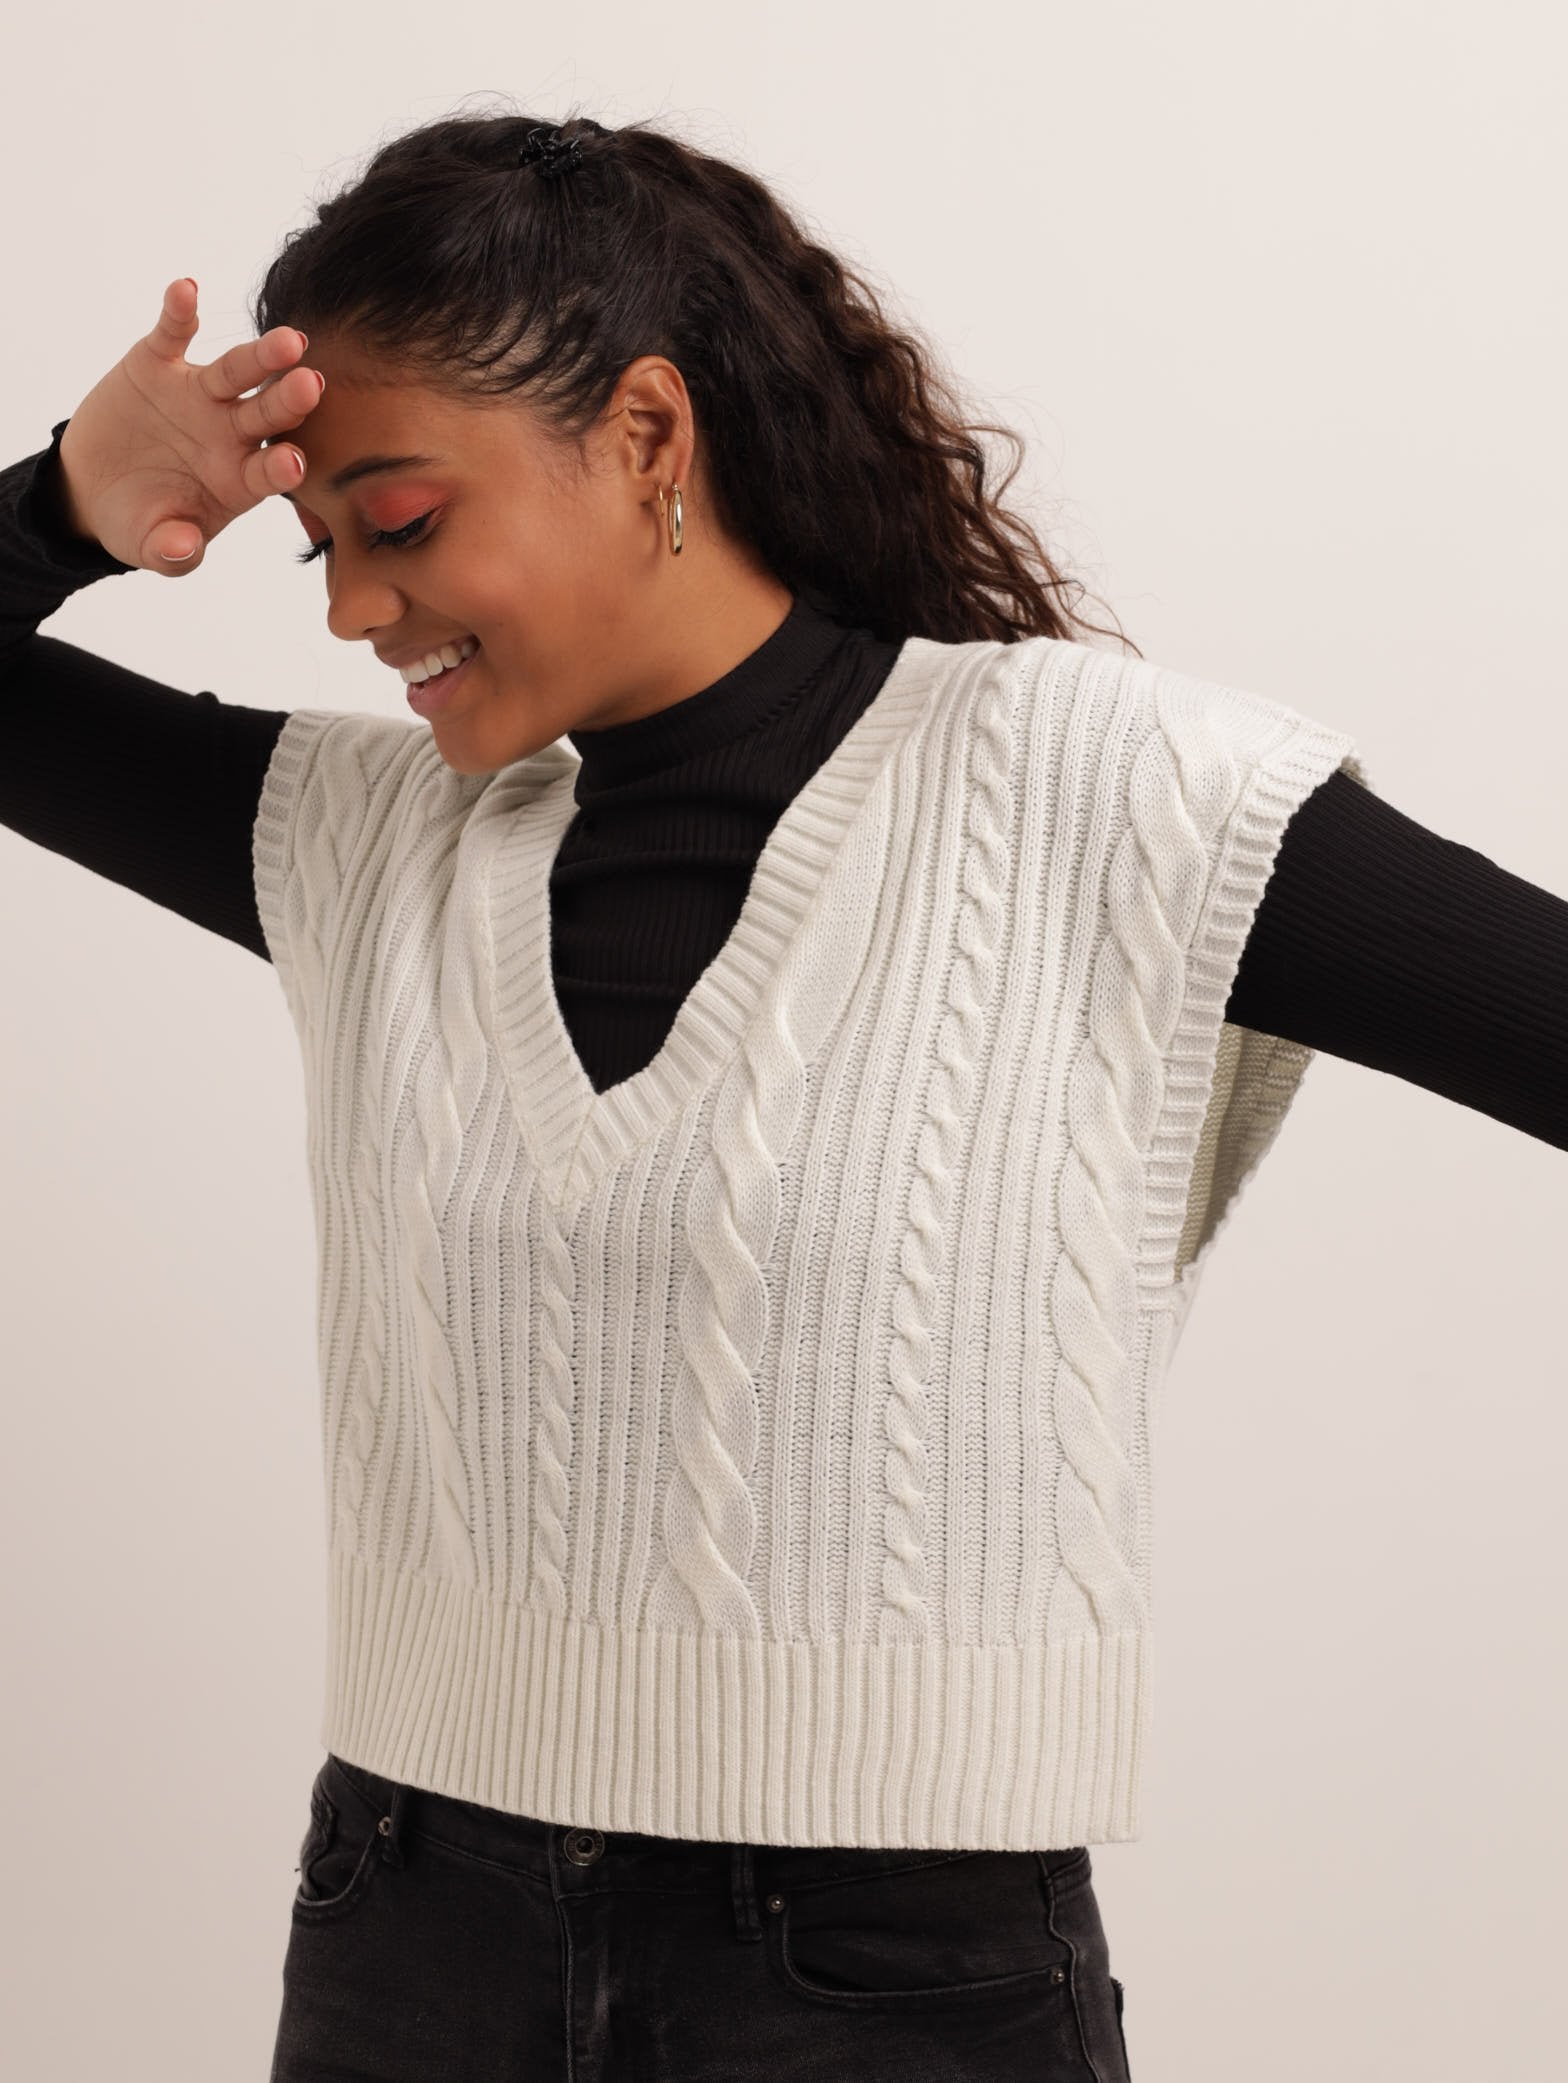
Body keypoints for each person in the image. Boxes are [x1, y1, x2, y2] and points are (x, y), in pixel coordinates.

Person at [3, 109, 1564, 2083]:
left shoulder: (1116, 804)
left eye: (396, 522)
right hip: (407, 1939)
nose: (348, 610)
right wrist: (65, 503)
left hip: (885, 1986)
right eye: (321, 551)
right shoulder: (360, 841)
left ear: (649, 433)